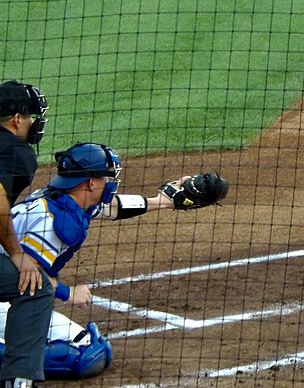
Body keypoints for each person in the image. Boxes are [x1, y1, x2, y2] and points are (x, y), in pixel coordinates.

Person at [0, 142, 200, 381]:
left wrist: (164, 201)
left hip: (8, 292)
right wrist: (68, 292)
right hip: (9, 296)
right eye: (108, 176)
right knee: (85, 353)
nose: (113, 182)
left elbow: (113, 207)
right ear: (92, 183)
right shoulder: (53, 222)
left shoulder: (68, 198)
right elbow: (28, 280)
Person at [0, 80, 54, 387]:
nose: (34, 122)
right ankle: (18, 381)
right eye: (30, 115)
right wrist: (17, 253)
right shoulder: (17, 152)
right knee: (34, 287)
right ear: (17, 119)